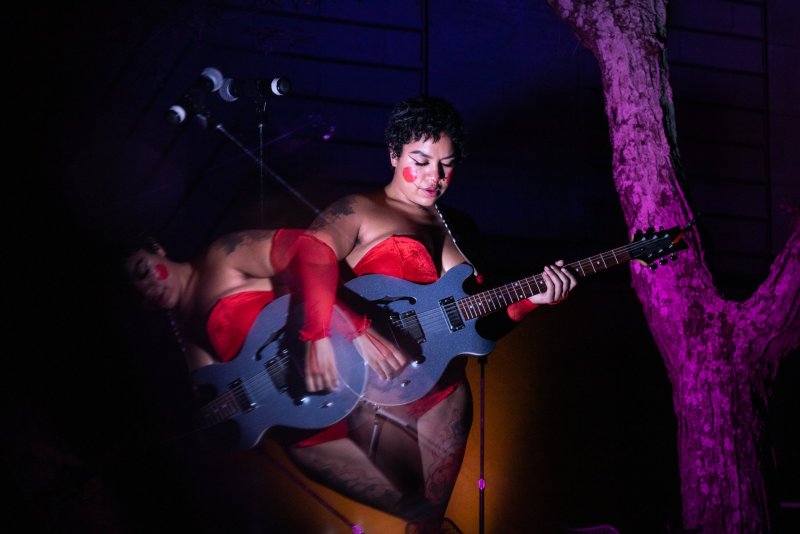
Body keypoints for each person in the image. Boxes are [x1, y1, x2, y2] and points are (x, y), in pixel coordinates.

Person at [278, 95, 578, 533]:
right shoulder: (360, 209)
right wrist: (356, 325)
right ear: (394, 153)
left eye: (447, 165)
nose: (434, 177)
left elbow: (477, 325)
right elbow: (303, 259)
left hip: (444, 395)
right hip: (369, 394)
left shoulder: (462, 227)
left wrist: (536, 299)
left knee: (428, 527)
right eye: (420, 160)